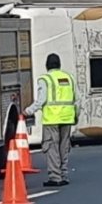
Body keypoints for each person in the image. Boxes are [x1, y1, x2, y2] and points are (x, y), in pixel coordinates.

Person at [24, 53, 77, 187]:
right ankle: (64, 175)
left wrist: (28, 111)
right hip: (67, 118)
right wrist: (76, 116)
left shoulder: (45, 79)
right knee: (63, 147)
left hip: (52, 119)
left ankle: (55, 177)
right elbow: (77, 100)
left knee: (52, 147)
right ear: (59, 65)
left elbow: (41, 100)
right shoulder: (69, 78)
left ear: (47, 66)